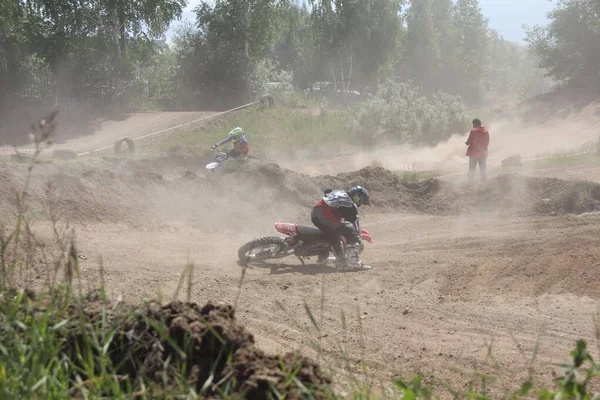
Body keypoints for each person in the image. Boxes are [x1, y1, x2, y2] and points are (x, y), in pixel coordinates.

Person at [311, 186, 371, 270]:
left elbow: (327, 192)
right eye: (362, 201)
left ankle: (341, 262)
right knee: (351, 233)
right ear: (358, 196)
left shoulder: (340, 193)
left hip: (315, 213)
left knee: (335, 235)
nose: (361, 204)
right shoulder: (350, 204)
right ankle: (353, 263)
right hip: (325, 214)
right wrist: (357, 237)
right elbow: (352, 224)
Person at [465, 118, 490, 184]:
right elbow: (487, 142)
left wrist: (467, 143)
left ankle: (470, 182)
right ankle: (484, 182)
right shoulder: (486, 131)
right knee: (482, 168)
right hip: (483, 152)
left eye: (473, 124)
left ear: (475, 123)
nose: (473, 126)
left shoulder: (473, 131)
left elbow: (469, 141)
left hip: (474, 153)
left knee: (472, 168)